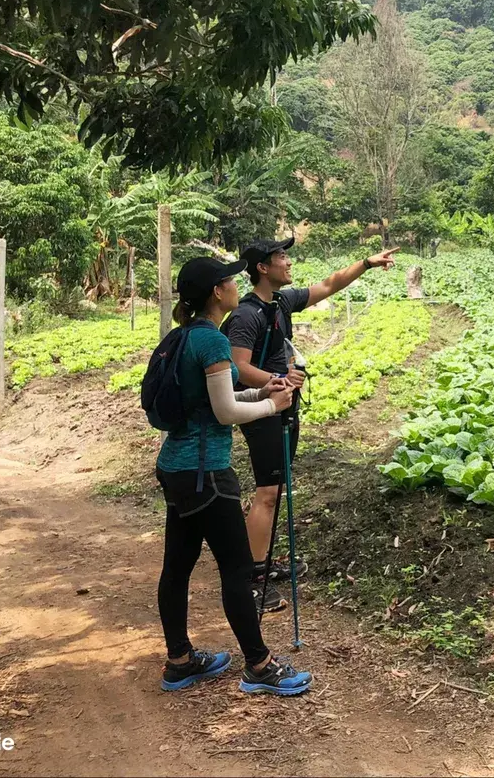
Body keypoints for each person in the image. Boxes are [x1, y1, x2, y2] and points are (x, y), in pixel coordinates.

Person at [155, 256, 313, 696]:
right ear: (216, 292)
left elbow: (213, 399)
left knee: (177, 567)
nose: (234, 284)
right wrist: (271, 406)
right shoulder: (212, 341)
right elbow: (225, 412)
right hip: (206, 474)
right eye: (228, 279)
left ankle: (179, 661)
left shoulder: (184, 335)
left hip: (176, 468)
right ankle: (259, 665)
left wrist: (260, 390)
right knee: (238, 569)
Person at [224, 238, 398, 613]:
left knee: (276, 488)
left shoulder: (281, 302)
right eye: (281, 257)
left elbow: (329, 285)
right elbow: (237, 367)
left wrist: (366, 263)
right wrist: (278, 380)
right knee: (267, 492)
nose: (288, 262)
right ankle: (252, 577)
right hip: (263, 407)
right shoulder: (246, 315)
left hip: (283, 403)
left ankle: (263, 562)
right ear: (262, 268)